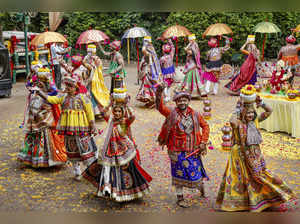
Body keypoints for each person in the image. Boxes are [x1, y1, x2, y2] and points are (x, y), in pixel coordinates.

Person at [216, 85, 296, 212]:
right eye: (248, 112)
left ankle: (271, 197)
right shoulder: (239, 123)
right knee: (239, 178)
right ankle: (240, 203)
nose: (250, 114)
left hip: (254, 154)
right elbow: (232, 121)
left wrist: (261, 103)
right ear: (243, 113)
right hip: (239, 154)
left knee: (258, 175)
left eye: (252, 112)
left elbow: (269, 111)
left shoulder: (256, 121)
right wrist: (239, 107)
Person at [82, 89, 152, 202]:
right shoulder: (111, 120)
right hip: (110, 150)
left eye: (120, 111)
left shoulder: (125, 121)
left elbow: (133, 116)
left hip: (124, 151)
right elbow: (103, 111)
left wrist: (127, 105)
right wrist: (110, 103)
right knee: (108, 169)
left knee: (128, 169)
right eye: (116, 111)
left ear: (123, 112)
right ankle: (110, 190)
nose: (117, 113)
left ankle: (128, 192)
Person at [33, 75, 98, 180]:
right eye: (67, 86)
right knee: (72, 150)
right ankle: (77, 171)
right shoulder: (63, 97)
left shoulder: (83, 98)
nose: (67, 88)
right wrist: (39, 92)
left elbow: (90, 112)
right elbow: (51, 99)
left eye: (70, 86)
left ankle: (91, 171)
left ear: (76, 87)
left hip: (82, 129)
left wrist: (92, 125)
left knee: (86, 149)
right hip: (68, 130)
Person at [155, 84, 210, 208]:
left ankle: (200, 187)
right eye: (179, 100)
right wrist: (159, 92)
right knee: (178, 174)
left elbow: (205, 126)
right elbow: (160, 107)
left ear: (188, 101)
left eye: (184, 100)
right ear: (176, 102)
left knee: (196, 172)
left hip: (193, 150)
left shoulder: (195, 114)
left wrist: (203, 142)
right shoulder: (171, 113)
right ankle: (180, 198)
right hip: (176, 151)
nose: (182, 102)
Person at [18, 67, 67, 168]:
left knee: (47, 132)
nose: (39, 83)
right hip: (36, 111)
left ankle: (50, 160)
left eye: (42, 80)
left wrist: (43, 90)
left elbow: (54, 92)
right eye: (38, 80)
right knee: (34, 134)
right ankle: (34, 159)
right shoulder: (34, 81)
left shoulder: (50, 84)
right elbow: (28, 86)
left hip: (46, 112)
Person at [82, 44, 110, 116]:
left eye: (89, 51)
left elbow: (97, 67)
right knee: (92, 94)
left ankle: (95, 111)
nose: (89, 53)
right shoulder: (93, 58)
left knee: (93, 94)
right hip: (92, 79)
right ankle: (94, 111)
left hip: (94, 80)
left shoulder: (95, 59)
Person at [136, 36, 162, 108]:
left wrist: (145, 44)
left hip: (149, 72)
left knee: (149, 85)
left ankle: (153, 100)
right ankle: (150, 100)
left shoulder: (149, 52)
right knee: (147, 85)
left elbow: (143, 50)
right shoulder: (150, 51)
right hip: (146, 72)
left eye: (145, 42)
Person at [180, 34, 206, 98]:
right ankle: (188, 91)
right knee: (188, 77)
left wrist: (187, 51)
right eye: (189, 40)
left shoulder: (195, 45)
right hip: (190, 63)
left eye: (191, 40)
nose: (190, 41)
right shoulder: (190, 44)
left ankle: (194, 92)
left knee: (193, 77)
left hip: (193, 64)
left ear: (193, 39)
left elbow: (194, 53)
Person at [159, 37, 176, 102]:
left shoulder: (162, 58)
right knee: (169, 86)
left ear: (163, 51)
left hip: (165, 74)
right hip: (171, 73)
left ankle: (166, 97)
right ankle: (168, 96)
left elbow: (160, 67)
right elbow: (173, 48)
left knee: (165, 86)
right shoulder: (171, 56)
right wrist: (170, 40)